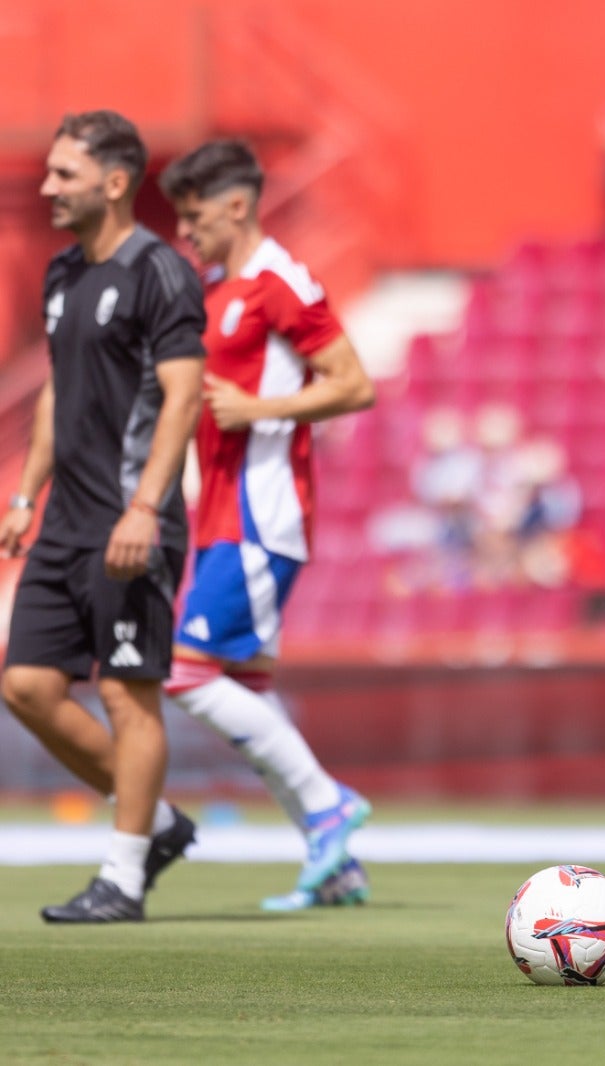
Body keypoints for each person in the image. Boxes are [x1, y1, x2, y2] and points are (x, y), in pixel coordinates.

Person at [158, 138, 376, 911]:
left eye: (196, 217)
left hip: (263, 508)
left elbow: (354, 384)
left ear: (238, 205)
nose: (188, 233)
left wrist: (262, 411)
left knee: (184, 669)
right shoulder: (219, 288)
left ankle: (329, 807)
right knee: (246, 686)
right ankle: (338, 865)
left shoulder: (281, 280)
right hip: (222, 506)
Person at [0, 111, 206, 923]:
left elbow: (184, 396)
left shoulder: (161, 272)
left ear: (114, 183)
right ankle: (154, 823)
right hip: (63, 525)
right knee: (25, 687)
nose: (47, 187)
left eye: (63, 174)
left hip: (132, 522)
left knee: (128, 695)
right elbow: (59, 391)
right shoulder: (61, 276)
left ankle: (121, 878)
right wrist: (25, 494)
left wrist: (146, 508)